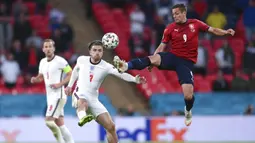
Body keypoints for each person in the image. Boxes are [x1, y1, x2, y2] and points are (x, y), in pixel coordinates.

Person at [113, 3, 235, 126]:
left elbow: (212, 30)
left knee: (188, 95)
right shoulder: (170, 28)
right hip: (173, 57)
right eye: (173, 14)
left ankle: (188, 111)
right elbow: (162, 45)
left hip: (186, 62)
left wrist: (225, 32)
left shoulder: (195, 24)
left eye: (177, 14)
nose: (175, 16)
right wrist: (154, 61)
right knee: (150, 58)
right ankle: (126, 66)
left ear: (184, 13)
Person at [65, 40, 146, 143]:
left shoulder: (106, 66)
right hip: (79, 93)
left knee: (111, 126)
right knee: (83, 101)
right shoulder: (82, 60)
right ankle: (82, 117)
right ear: (90, 51)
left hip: (94, 99)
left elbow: (121, 74)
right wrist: (69, 86)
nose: (97, 52)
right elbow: (76, 71)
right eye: (94, 50)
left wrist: (135, 79)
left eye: (100, 50)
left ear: (102, 52)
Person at [31, 39, 74, 143]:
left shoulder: (60, 61)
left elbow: (70, 73)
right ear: (43, 49)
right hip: (50, 96)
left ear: (54, 48)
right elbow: (41, 76)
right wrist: (35, 79)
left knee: (49, 122)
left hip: (58, 95)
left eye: (50, 46)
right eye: (46, 47)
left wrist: (60, 84)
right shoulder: (42, 62)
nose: (48, 49)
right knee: (61, 125)